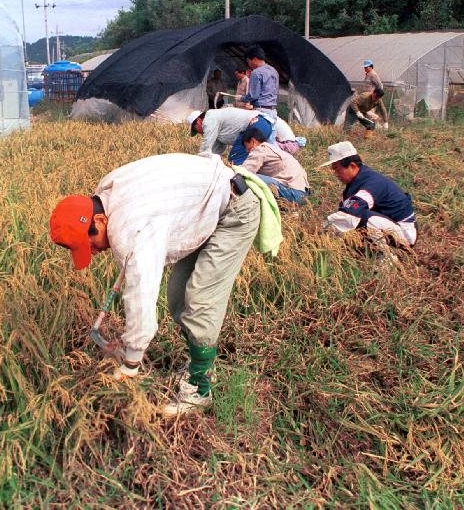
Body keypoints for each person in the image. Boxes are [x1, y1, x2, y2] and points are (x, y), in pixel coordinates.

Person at [49, 153, 278, 417]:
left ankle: (199, 391)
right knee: (178, 297)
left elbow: (141, 296)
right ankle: (200, 363)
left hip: (234, 210)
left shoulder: (129, 229)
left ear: (99, 221)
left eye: (90, 243)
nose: (95, 251)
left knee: (200, 301)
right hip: (202, 206)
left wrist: (131, 362)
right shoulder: (107, 194)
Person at [319, 141, 417, 249]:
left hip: (404, 233)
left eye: (337, 169)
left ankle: (387, 258)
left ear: (352, 166)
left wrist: (322, 230)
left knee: (363, 217)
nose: (336, 174)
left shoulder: (372, 182)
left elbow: (352, 212)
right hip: (387, 226)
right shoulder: (353, 185)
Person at [240, 127, 310, 205]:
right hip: (304, 195)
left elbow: (244, 172)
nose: (247, 151)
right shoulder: (274, 149)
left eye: (246, 146)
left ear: (253, 141)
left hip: (293, 194)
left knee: (250, 178)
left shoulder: (260, 149)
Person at [186, 107, 276, 165]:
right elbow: (215, 151)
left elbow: (207, 144)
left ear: (198, 121)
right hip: (262, 125)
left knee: (235, 161)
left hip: (256, 124)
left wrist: (197, 164)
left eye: (196, 130)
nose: (199, 133)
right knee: (260, 159)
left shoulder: (209, 119)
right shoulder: (216, 124)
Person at [240, 45, 279, 121]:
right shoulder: (273, 71)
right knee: (270, 132)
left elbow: (253, 96)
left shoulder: (256, 73)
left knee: (254, 132)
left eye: (248, 61)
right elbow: (276, 91)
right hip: (273, 112)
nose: (248, 64)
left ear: (254, 59)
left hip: (261, 112)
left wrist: (241, 98)